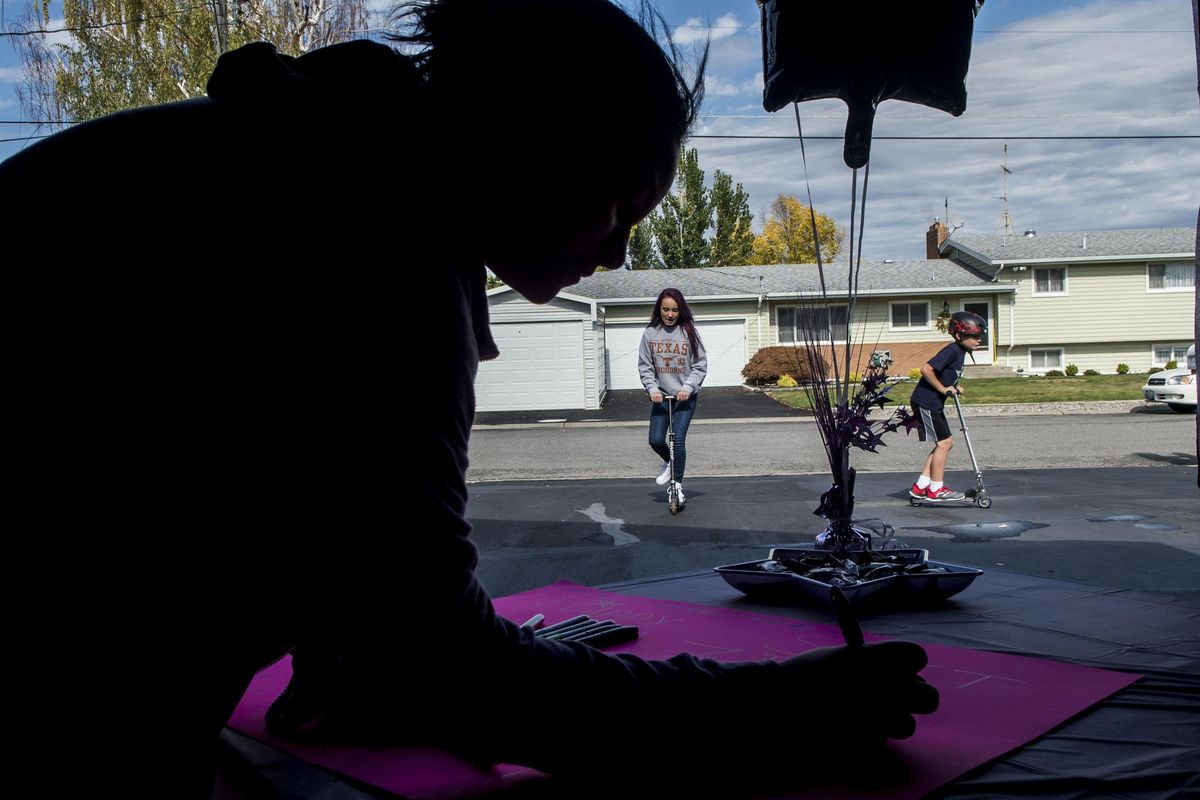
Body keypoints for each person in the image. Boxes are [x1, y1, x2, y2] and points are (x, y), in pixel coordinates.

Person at [3, 1, 937, 795]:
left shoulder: (283, 160)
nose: (618, 256)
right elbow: (458, 679)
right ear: (540, 142)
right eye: (622, 205)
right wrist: (773, 705)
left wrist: (342, 621)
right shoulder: (374, 253)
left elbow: (216, 487)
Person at [908, 311, 987, 502]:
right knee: (944, 443)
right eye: (974, 337)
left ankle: (921, 487)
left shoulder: (960, 352)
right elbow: (926, 370)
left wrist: (953, 387)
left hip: (931, 403)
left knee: (945, 443)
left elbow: (945, 374)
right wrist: (943, 389)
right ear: (959, 335)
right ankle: (936, 489)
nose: (978, 340)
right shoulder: (952, 350)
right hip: (926, 402)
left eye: (979, 337)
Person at [639, 288, 705, 505]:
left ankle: (677, 485)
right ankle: (670, 463)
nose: (670, 314)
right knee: (656, 440)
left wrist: (688, 386)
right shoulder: (650, 333)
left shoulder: (689, 332)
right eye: (666, 309)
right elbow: (645, 367)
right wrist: (652, 389)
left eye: (674, 310)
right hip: (661, 397)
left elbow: (700, 365)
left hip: (685, 398)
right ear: (659, 308)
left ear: (680, 310)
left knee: (678, 440)